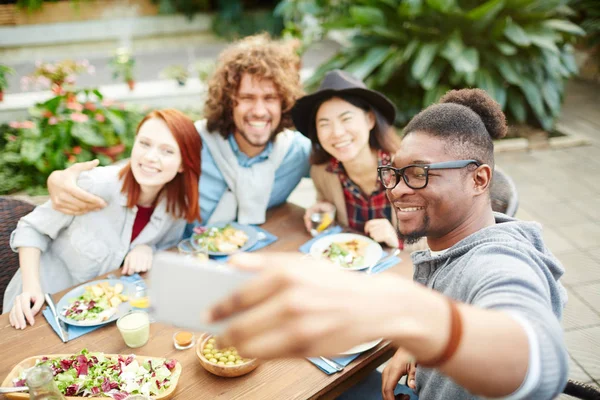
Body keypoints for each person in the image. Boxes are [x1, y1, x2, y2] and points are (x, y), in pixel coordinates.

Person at [205, 89, 568, 400]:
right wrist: (411, 343)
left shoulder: (499, 260)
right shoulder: (444, 245)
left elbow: (541, 360)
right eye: (394, 174)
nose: (396, 189)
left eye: (419, 173)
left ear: (478, 179)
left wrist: (400, 309)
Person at [45, 33, 311, 228]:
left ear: (284, 101)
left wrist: (326, 201)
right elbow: (140, 166)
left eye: (270, 98)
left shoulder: (295, 152)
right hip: (183, 259)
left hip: (256, 259)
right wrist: (59, 179)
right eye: (247, 98)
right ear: (229, 101)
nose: (260, 111)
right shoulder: (196, 139)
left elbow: (341, 166)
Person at [5, 109, 201, 330]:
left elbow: (163, 253)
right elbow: (31, 228)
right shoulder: (96, 184)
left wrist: (147, 247)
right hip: (38, 307)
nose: (150, 157)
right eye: (145, 144)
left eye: (167, 151)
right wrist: (31, 288)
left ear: (183, 163)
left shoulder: (176, 208)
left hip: (97, 317)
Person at [292, 69, 402, 248]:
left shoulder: (408, 170)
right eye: (324, 124)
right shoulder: (322, 172)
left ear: (370, 120)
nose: (337, 133)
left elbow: (440, 239)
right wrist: (325, 210)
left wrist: (397, 241)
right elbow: (337, 227)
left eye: (346, 119)